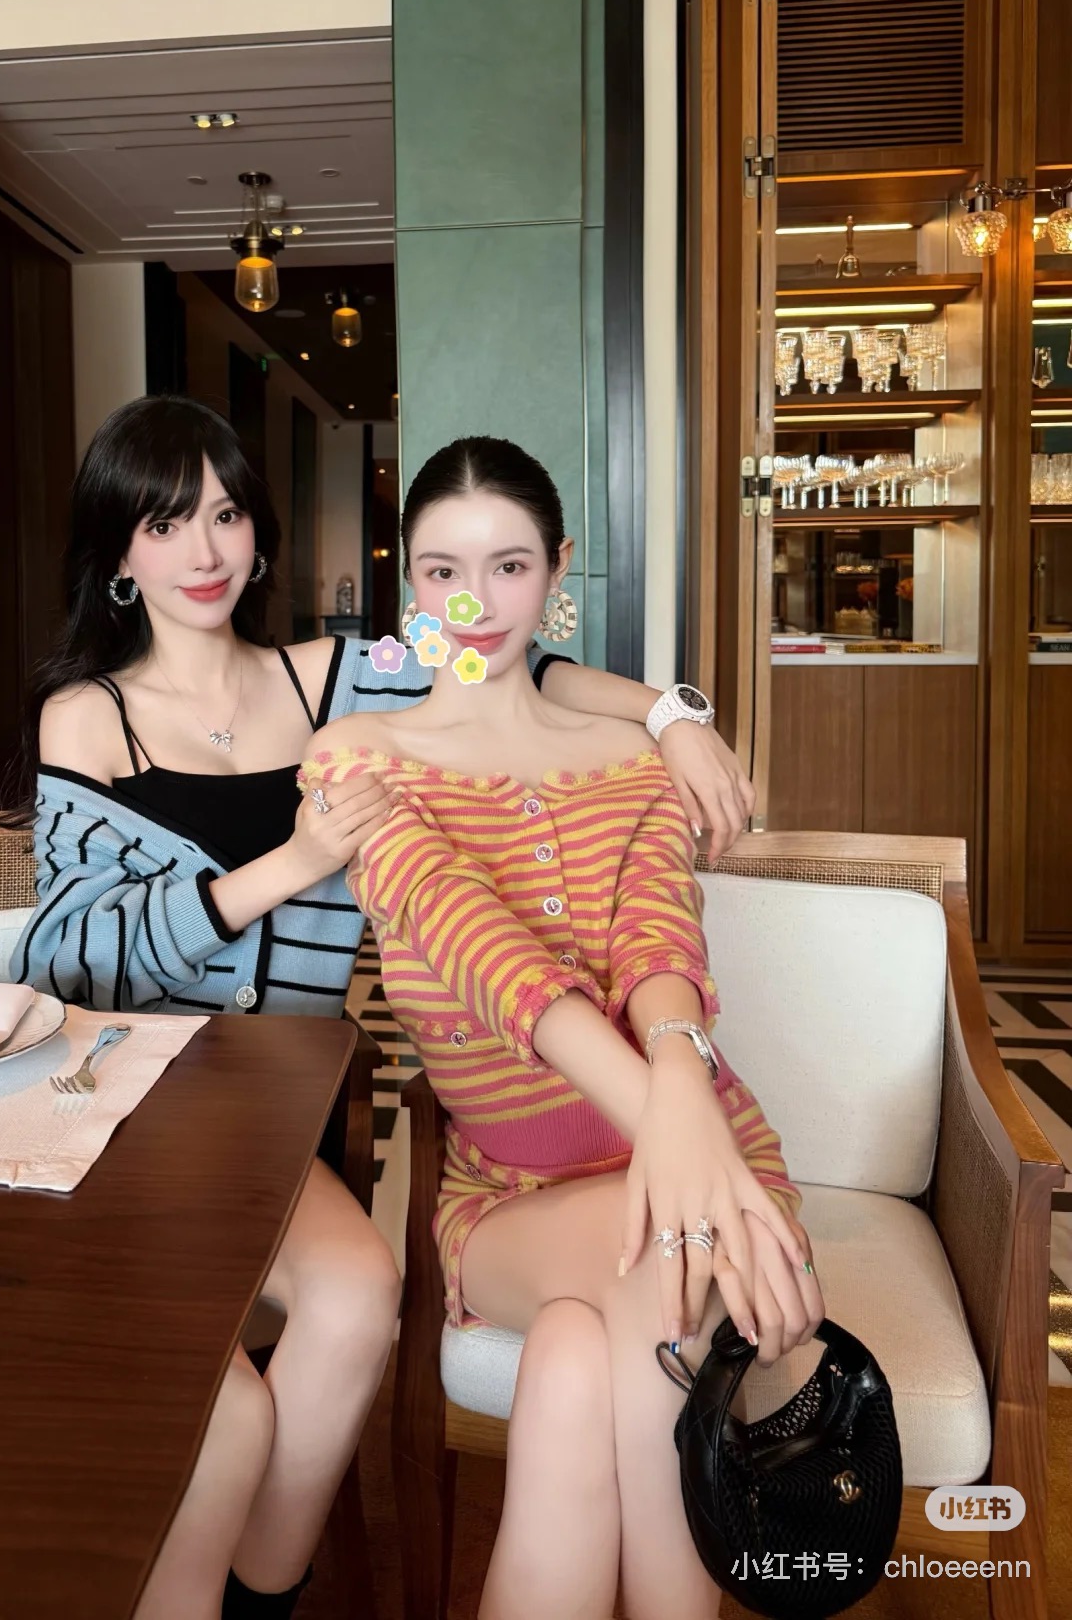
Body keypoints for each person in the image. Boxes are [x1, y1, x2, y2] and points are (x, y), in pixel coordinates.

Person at [5, 395, 757, 1620]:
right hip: (126, 1101)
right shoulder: (91, 715)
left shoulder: (338, 680)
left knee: (362, 1293)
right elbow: (70, 960)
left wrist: (672, 718)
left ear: (258, 533)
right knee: (228, 1410)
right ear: (120, 553)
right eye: (166, 523)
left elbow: (517, 661)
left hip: (274, 1114)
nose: (205, 551)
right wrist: (287, 868)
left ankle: (263, 1594)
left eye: (226, 515)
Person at [300, 436, 824, 1620]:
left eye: (510, 566)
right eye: (442, 572)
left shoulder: (630, 759)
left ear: (558, 570)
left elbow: (660, 951)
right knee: (667, 1267)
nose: (475, 604)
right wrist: (692, 1158)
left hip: (707, 1146)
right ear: (408, 579)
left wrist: (687, 1116)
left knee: (580, 1370)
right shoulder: (360, 761)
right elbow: (488, 958)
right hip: (510, 1200)